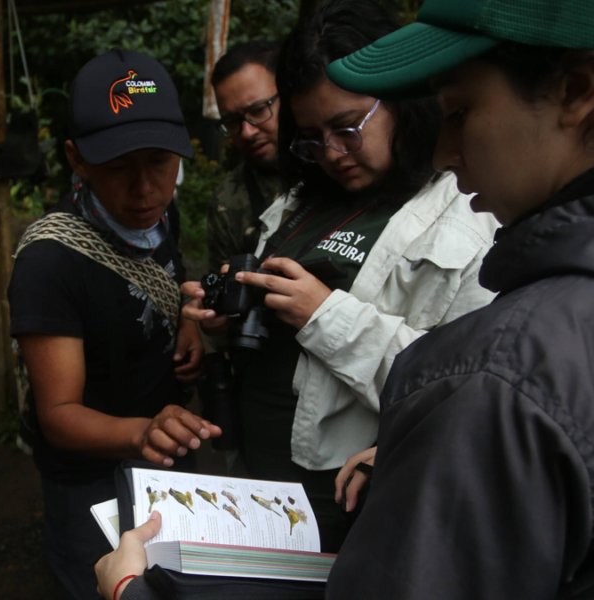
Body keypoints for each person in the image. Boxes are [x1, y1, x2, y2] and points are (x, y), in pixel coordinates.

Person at [190, 0, 501, 554]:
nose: (332, 153)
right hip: (258, 475)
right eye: (311, 137)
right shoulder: (299, 201)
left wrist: (324, 315)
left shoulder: (470, 214)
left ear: (403, 102)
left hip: (352, 501)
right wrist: (226, 314)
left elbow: (469, 393)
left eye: (347, 127)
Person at [322, 0, 594, 597]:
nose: (445, 153)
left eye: (460, 112)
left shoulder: (494, 376)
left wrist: (134, 588)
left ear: (575, 93)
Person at [7, 49, 221, 600]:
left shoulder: (155, 215)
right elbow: (58, 416)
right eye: (120, 167)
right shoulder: (51, 263)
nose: (145, 189)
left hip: (165, 454)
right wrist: (142, 432)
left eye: (160, 162)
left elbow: (160, 277)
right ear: (77, 159)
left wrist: (185, 325)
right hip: (94, 479)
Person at [207, 40, 283, 272]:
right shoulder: (228, 202)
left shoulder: (337, 163)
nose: (247, 132)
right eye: (232, 121)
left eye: (259, 110)